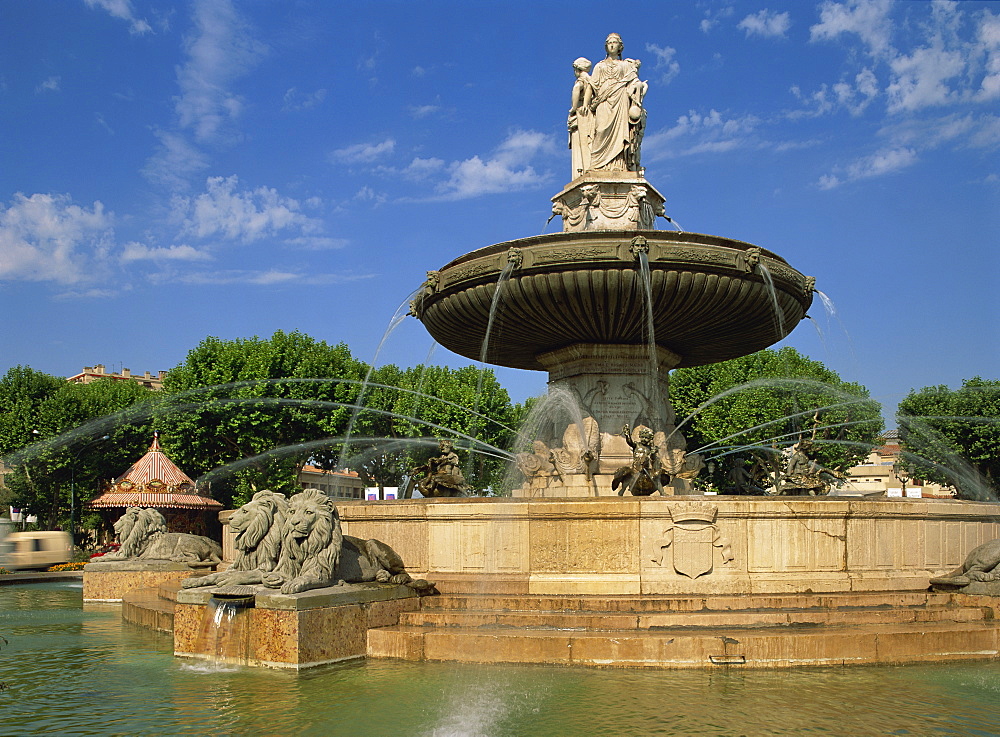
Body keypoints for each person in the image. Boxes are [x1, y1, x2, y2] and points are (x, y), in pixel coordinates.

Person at [588, 33, 645, 171]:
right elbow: (592, 85)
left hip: (620, 99)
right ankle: (598, 165)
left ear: (620, 47)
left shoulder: (625, 65)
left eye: (615, 42)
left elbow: (634, 81)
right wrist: (585, 105)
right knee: (600, 129)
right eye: (609, 43)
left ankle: (619, 165)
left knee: (620, 133)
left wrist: (639, 87)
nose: (612, 45)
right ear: (606, 47)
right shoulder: (599, 66)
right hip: (603, 101)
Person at [568, 57, 593, 177]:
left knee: (581, 145)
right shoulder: (592, 80)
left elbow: (577, 89)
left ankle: (582, 170)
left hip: (581, 115)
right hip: (590, 115)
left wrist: (573, 107)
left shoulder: (581, 81)